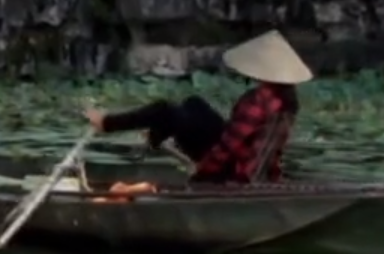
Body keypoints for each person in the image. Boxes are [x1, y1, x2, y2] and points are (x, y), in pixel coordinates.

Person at [85, 30, 312, 184]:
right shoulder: (286, 98)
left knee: (164, 110)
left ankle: (108, 123)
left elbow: (228, 146)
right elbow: (266, 149)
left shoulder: (258, 101)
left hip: (233, 171)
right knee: (194, 104)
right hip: (247, 166)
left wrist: (202, 173)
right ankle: (156, 136)